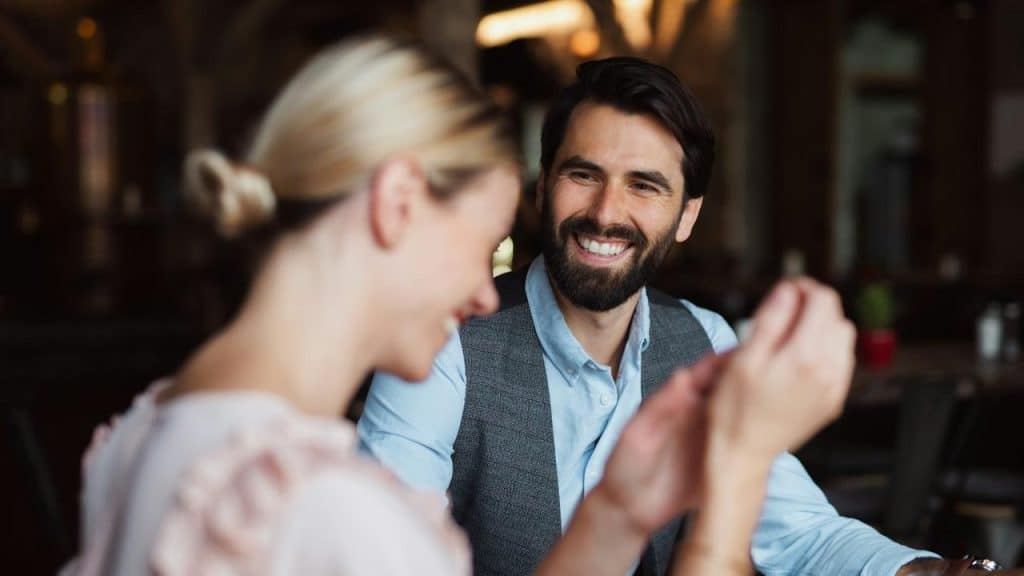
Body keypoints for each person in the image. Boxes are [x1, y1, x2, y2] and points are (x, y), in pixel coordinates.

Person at [62, 36, 851, 576]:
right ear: (399, 204)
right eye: (481, 247)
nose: (486, 291)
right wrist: (735, 478)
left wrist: (615, 512)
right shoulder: (335, 515)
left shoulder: (151, 433)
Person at [357, 57, 943, 575]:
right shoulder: (440, 342)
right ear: (542, 188)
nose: (606, 213)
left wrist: (940, 574)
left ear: (687, 217)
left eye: (644, 185)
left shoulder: (703, 340)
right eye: (582, 175)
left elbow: (802, 536)